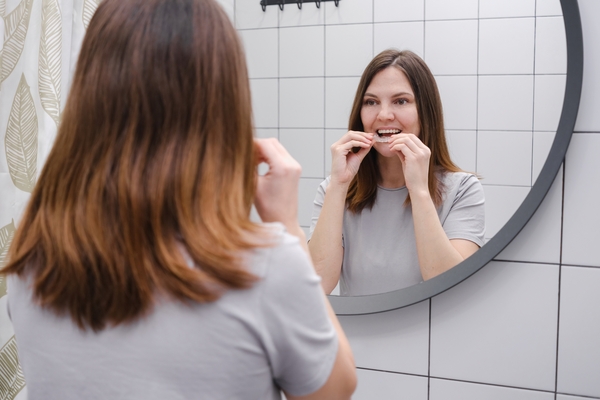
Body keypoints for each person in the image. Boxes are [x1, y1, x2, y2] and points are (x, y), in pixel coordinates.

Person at [3, 0, 356, 399]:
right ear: (223, 107)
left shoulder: (32, 257)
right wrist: (287, 228)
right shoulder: (260, 266)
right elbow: (335, 391)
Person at [308, 49, 485, 296]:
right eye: (371, 102)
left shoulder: (463, 190)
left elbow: (451, 289)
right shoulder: (334, 190)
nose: (384, 115)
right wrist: (338, 185)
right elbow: (317, 286)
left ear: (426, 111)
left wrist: (419, 190)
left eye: (400, 101)